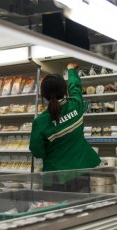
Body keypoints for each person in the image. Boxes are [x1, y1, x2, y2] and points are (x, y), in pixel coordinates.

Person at [29, 63, 100, 192]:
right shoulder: (76, 105)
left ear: (43, 95)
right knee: (82, 210)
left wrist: (53, 151)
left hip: (55, 175)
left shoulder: (40, 121)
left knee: (55, 210)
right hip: (80, 171)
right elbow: (76, 87)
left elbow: (37, 151)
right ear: (65, 90)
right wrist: (71, 70)